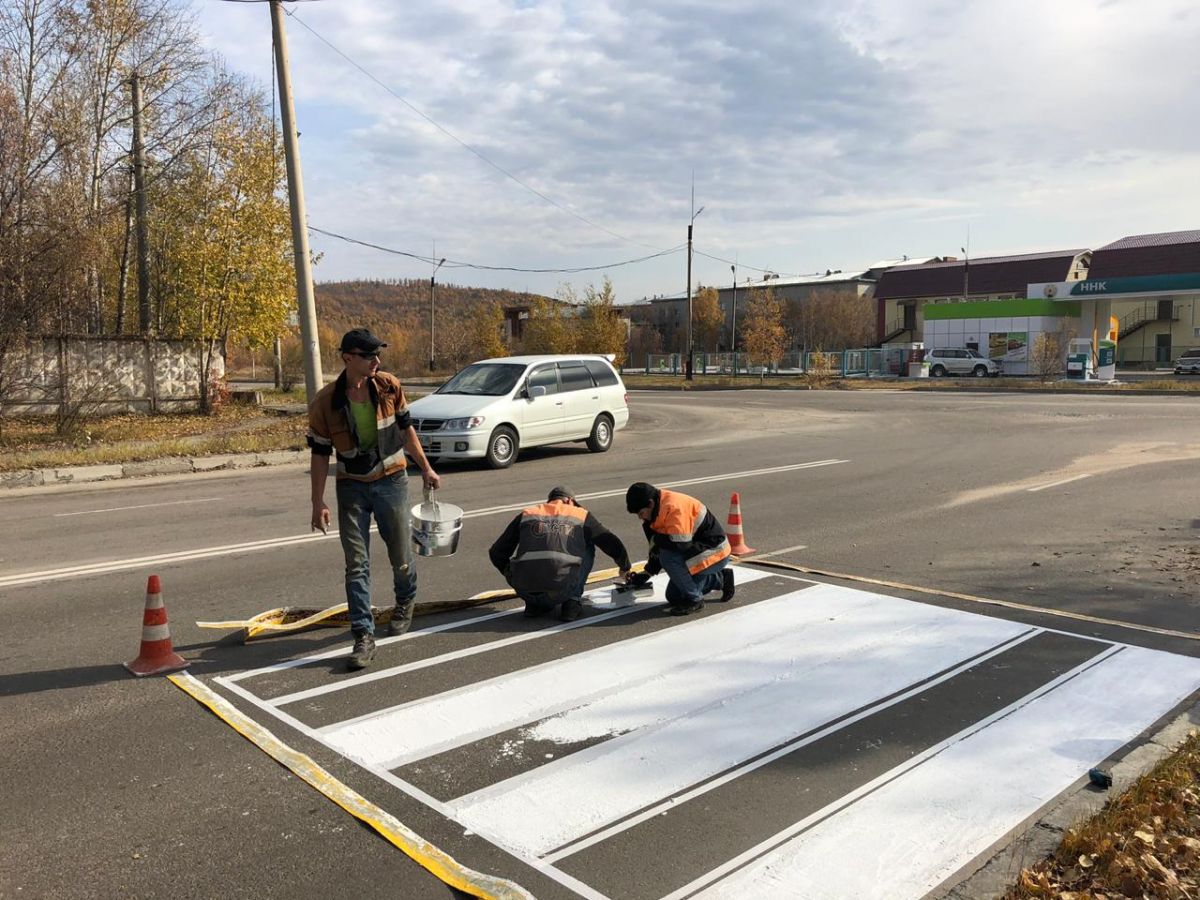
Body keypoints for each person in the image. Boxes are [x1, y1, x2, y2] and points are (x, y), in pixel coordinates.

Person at [308, 328, 441, 670]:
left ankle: (405, 600)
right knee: (356, 564)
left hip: (392, 479)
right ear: (348, 358)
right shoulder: (325, 403)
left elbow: (406, 430)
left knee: (400, 552)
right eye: (369, 356)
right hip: (351, 486)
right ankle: (363, 636)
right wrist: (317, 501)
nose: (377, 362)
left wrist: (425, 468)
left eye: (378, 356)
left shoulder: (388, 386)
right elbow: (321, 455)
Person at [489, 486, 633, 622]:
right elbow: (610, 542)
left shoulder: (528, 514)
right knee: (588, 544)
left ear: (550, 501)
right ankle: (572, 602)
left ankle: (535, 605)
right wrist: (624, 566)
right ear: (570, 501)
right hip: (561, 592)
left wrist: (512, 575)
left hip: (525, 591)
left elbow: (496, 553)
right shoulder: (579, 515)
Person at [624, 481, 735, 615]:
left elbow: (680, 545)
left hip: (715, 552)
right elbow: (656, 548)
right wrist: (647, 573)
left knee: (668, 558)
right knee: (674, 597)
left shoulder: (674, 508)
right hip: (695, 553)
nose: (640, 517)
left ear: (650, 504)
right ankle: (721, 579)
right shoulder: (651, 516)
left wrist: (659, 540)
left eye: (641, 513)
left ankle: (696, 601)